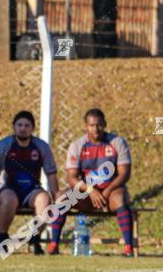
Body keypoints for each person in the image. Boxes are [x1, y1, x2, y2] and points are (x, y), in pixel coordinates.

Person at [47, 108, 134, 256]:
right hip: (87, 194)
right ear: (86, 126)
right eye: (92, 125)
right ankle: (53, 245)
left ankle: (128, 248)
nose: (95, 129)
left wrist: (106, 191)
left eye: (99, 125)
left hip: (111, 191)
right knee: (62, 197)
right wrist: (91, 191)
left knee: (119, 198)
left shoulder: (117, 142)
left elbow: (124, 174)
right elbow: (71, 177)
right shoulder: (77, 146)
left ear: (105, 124)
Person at [0, 110, 59, 255]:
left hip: (31, 189)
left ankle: (34, 240)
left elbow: (51, 173)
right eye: (20, 125)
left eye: (27, 125)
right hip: (7, 188)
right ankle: (2, 237)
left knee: (44, 200)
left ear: (32, 128)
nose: (23, 128)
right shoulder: (2, 146)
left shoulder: (41, 147)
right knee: (9, 200)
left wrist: (56, 196)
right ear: (14, 127)